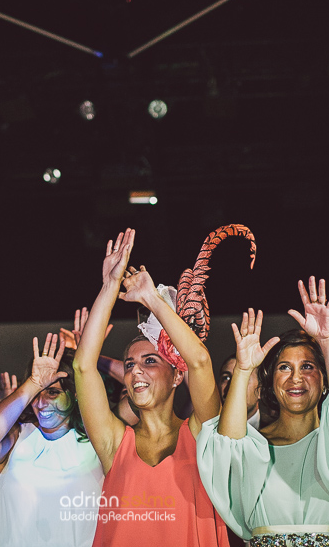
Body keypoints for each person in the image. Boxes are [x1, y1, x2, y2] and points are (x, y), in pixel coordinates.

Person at [73, 229, 230, 547]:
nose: (135, 371)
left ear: (176, 376)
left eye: (150, 361)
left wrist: (153, 301)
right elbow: (82, 366)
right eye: (129, 364)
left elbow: (198, 362)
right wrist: (109, 287)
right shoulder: (114, 443)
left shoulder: (202, 433)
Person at [196, 277, 329, 546]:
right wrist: (243, 370)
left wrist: (326, 339)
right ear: (271, 380)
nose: (296, 378)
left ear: (325, 380)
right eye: (284, 367)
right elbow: (226, 446)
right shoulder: (253, 448)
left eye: (307, 367)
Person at [0, 333, 103, 547]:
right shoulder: (18, 437)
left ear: (75, 392)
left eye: (52, 392)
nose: (41, 403)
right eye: (36, 394)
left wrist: (88, 357)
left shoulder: (97, 441)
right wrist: (34, 382)